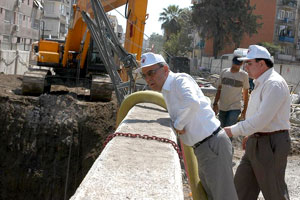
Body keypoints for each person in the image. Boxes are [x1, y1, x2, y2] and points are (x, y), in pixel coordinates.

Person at [138, 52, 238, 200]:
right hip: (205, 147)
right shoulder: (167, 88)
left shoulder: (179, 81)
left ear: (165, 69)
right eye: (144, 75)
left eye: (151, 73)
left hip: (211, 144)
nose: (148, 79)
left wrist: (179, 124)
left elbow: (192, 102)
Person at [224, 45, 291, 200]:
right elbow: (258, 118)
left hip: (271, 143)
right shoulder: (261, 82)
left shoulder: (274, 84)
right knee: (241, 189)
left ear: (262, 64)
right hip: (257, 140)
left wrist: (232, 130)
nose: (245, 67)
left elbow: (261, 119)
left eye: (249, 63)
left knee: (274, 192)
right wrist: (250, 134)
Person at [213, 56, 249, 127]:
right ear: (232, 62)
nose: (237, 66)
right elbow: (219, 89)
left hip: (235, 107)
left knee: (229, 128)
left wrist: (245, 109)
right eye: (236, 63)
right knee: (221, 129)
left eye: (239, 64)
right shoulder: (224, 72)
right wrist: (215, 103)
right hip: (223, 106)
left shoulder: (244, 75)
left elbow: (245, 93)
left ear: (241, 64)